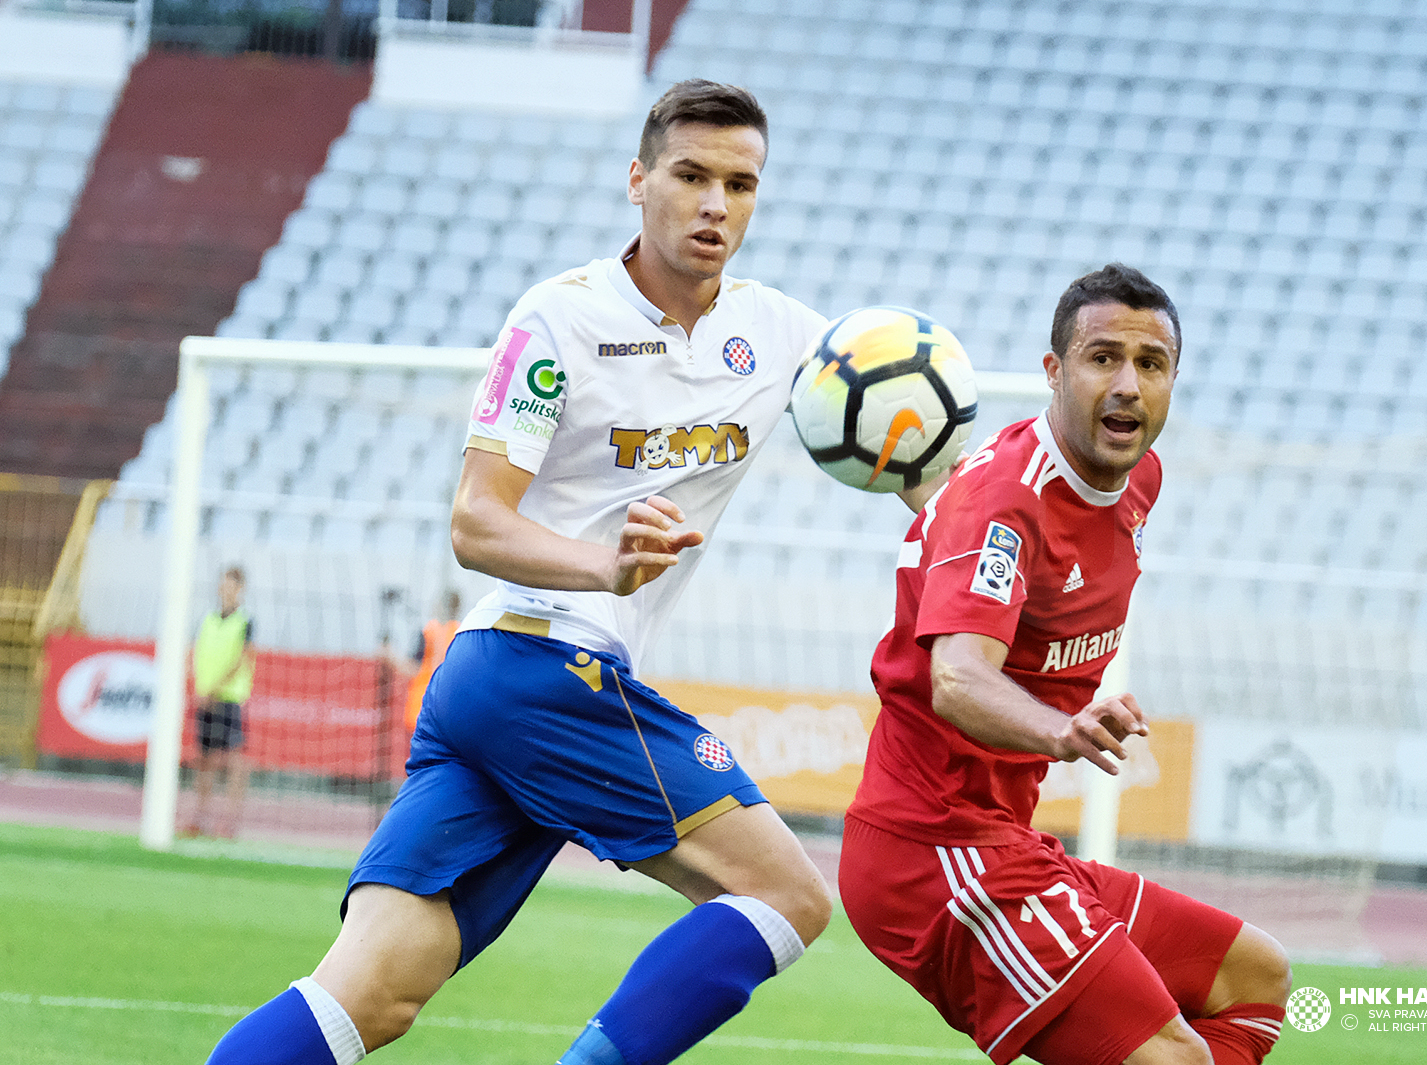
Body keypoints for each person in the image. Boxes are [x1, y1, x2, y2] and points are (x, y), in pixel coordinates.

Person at [204, 79, 907, 1065]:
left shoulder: (784, 335)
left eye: (739, 184)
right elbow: (474, 519)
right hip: (542, 666)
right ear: (638, 179)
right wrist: (604, 565)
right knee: (786, 894)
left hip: (491, 697)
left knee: (371, 990)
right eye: (691, 175)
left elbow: (895, 425)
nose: (714, 204)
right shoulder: (558, 319)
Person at [838, 265, 1292, 1065]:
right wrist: (1062, 730)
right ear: (1054, 372)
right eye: (1102, 358)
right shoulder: (1006, 503)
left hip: (1005, 838)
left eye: (1150, 365)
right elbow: (957, 677)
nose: (1127, 385)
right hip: (935, 857)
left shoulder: (1138, 480)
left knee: (1254, 976)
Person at [182, 565, 255, 839]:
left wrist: (215, 687)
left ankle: (230, 821)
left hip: (229, 698)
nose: (224, 590)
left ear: (239, 589)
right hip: (205, 698)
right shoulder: (209, 619)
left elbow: (242, 659)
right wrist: (199, 687)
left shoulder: (245, 621)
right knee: (204, 760)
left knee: (235, 760)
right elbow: (198, 653)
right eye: (222, 584)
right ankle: (199, 817)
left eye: (229, 585)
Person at [381, 589, 462, 733]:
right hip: (450, 712)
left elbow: (413, 669)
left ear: (440, 605)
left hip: (422, 707)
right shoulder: (461, 633)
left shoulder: (429, 632)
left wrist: (388, 654)